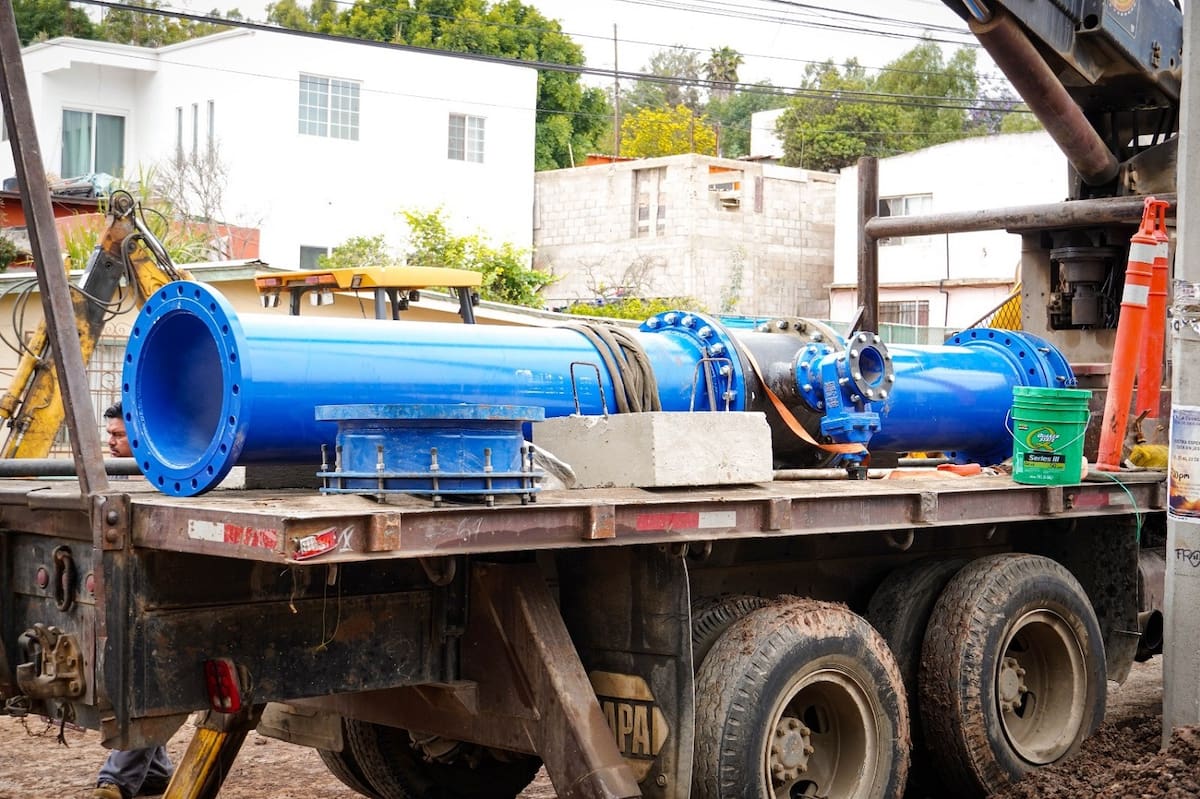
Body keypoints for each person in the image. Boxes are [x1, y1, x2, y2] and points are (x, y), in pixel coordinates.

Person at [94, 403, 174, 799]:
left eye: (118, 435)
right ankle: (155, 770)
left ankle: (117, 779)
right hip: (132, 595)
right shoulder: (118, 481)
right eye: (108, 434)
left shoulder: (168, 480)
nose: (110, 441)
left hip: (158, 596)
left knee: (146, 676)